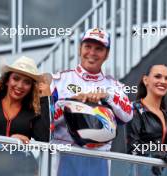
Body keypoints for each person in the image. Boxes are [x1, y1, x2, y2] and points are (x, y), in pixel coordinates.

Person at [48, 28, 133, 176]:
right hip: (64, 156)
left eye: (99, 49)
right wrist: (69, 104)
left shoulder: (114, 86)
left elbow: (128, 115)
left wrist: (107, 96)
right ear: (80, 49)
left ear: (106, 54)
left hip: (99, 160)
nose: (92, 53)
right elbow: (44, 121)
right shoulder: (58, 80)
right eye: (88, 47)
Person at [0, 56, 50, 176]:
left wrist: (45, 99)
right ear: (7, 80)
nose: (20, 85)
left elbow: (45, 139)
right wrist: (8, 142)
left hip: (26, 171)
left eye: (27, 82)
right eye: (16, 78)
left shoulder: (33, 112)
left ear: (31, 87)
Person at [126, 64, 167, 175]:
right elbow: (134, 147)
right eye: (157, 76)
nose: (163, 81)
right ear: (146, 80)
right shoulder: (134, 109)